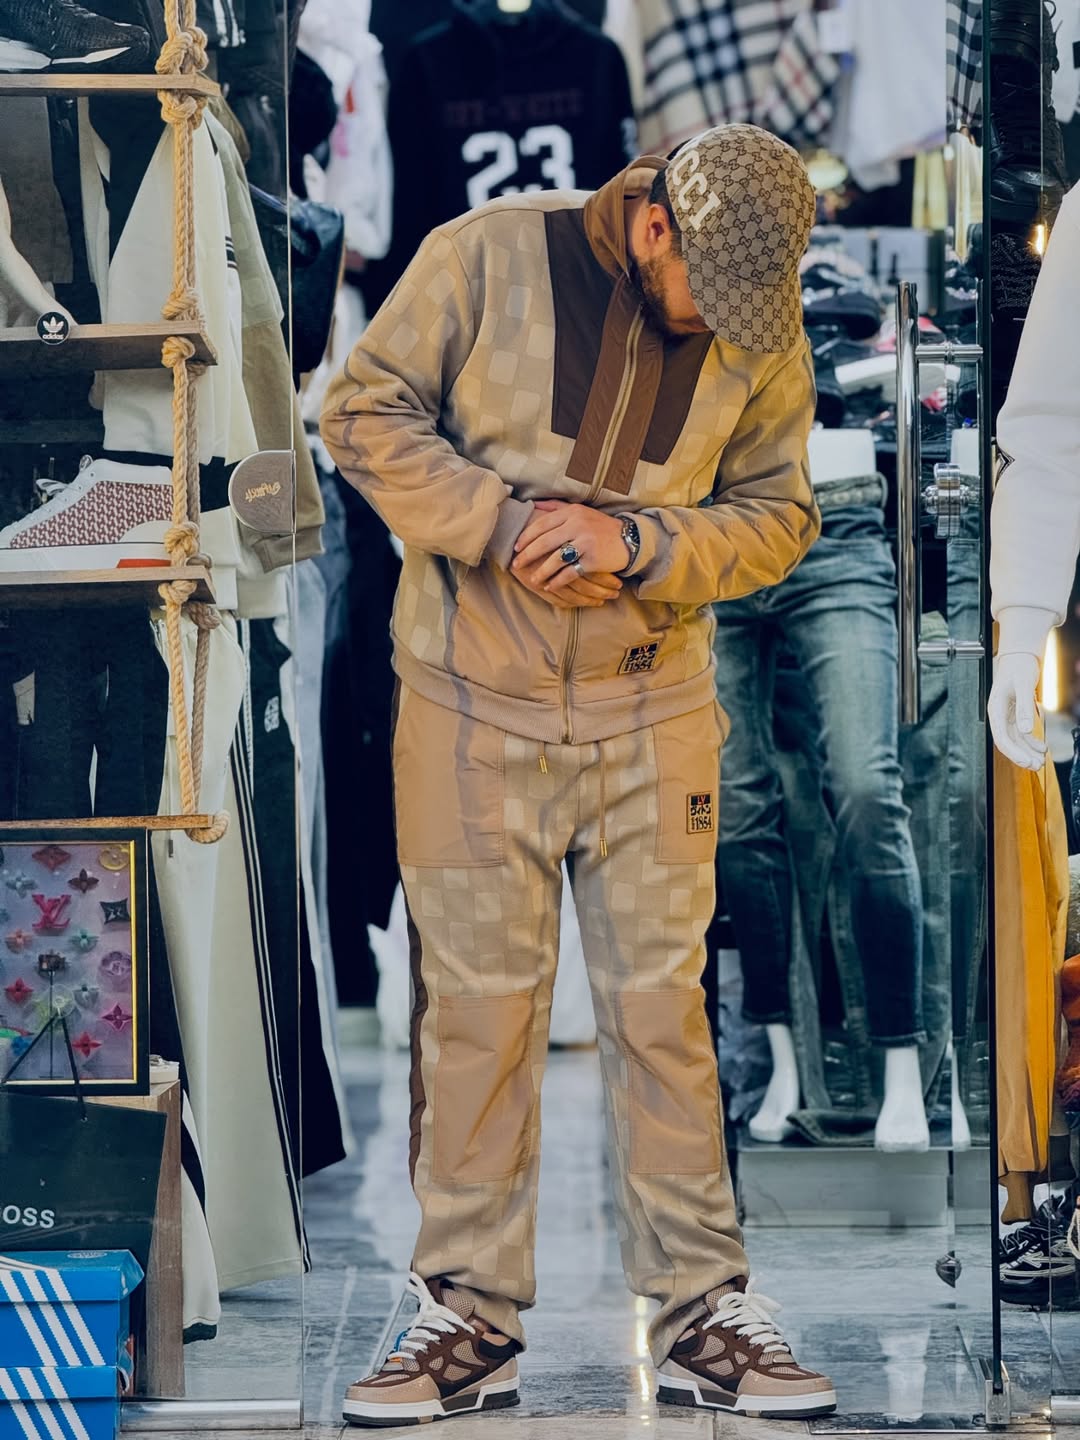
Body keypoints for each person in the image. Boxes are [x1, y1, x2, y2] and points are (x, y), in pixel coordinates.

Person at [321, 123, 836, 1428]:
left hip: (654, 710)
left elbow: (782, 514)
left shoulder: (761, 321)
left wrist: (640, 546)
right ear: (656, 225)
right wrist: (498, 525)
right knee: (477, 1019)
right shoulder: (485, 255)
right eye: (707, 298)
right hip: (466, 706)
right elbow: (360, 412)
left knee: (667, 1015)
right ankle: (466, 1314)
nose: (730, 329)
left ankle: (703, 1308)